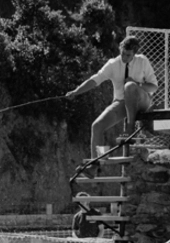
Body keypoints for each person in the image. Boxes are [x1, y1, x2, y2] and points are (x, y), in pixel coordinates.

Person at [66, 35, 159, 163]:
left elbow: (154, 87)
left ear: (135, 54)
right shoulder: (113, 64)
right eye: (123, 54)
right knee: (97, 126)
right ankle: (98, 161)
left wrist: (137, 84)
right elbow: (95, 80)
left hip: (142, 101)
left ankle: (130, 128)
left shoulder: (143, 61)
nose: (124, 57)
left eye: (128, 55)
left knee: (130, 86)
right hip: (122, 102)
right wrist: (76, 91)